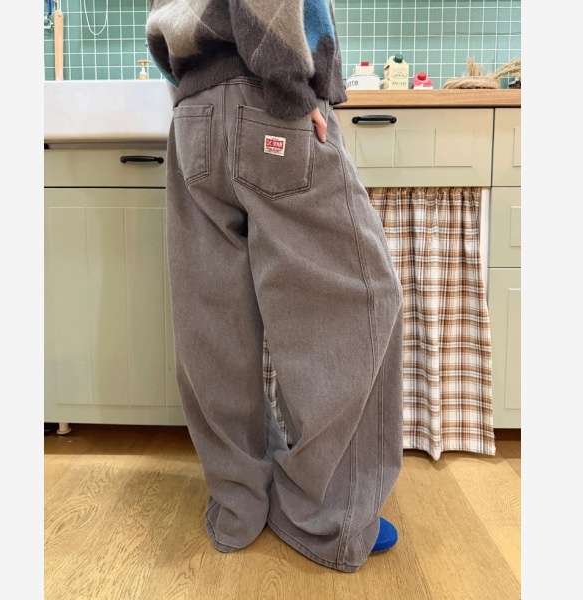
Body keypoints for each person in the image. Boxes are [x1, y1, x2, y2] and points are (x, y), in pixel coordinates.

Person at [146, 0, 404, 573]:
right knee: (355, 303)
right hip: (267, 96)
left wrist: (197, 97)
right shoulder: (277, 82)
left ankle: (238, 506)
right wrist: (290, 85)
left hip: (194, 111)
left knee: (214, 322)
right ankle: (327, 518)